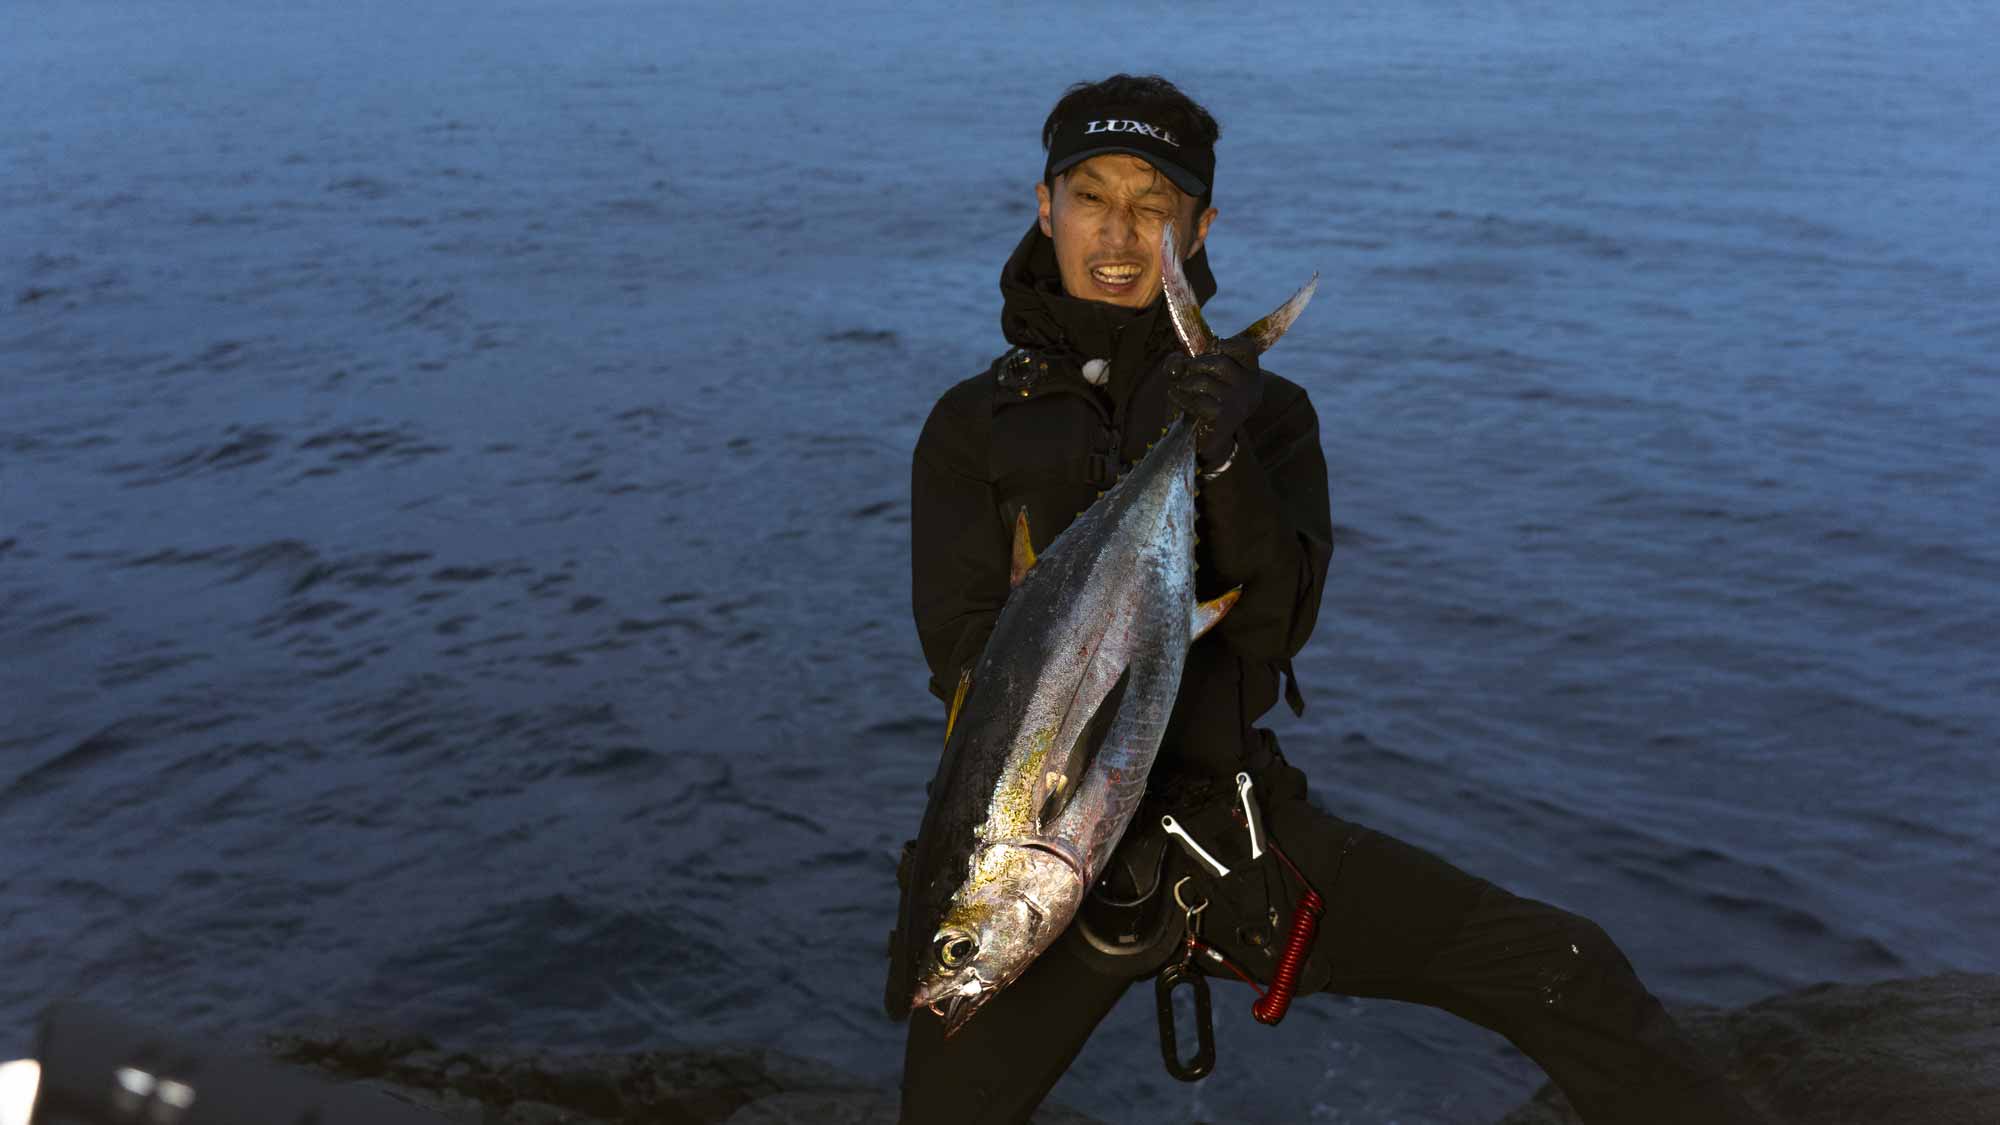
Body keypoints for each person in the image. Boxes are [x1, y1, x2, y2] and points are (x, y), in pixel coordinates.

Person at [892, 74, 1765, 1125]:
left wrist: (1222, 461)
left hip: (1233, 846)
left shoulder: (1269, 415)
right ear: (1044, 206)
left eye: (1151, 205)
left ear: (1197, 226)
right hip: (1029, 867)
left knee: (1561, 963)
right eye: (1090, 197)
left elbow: (1273, 625)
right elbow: (966, 662)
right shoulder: (969, 426)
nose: (1117, 234)